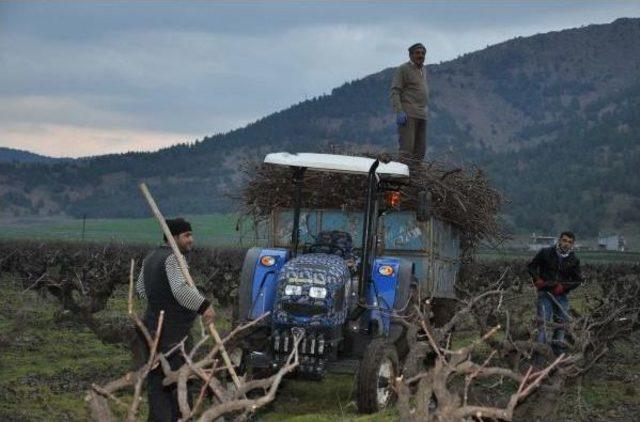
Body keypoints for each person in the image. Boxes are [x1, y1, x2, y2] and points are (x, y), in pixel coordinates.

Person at [136, 217, 215, 422]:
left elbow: (141, 291)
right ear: (173, 237)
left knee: (156, 381)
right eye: (186, 235)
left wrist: (161, 299)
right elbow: (180, 291)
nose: (192, 240)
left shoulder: (151, 257)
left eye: (191, 235)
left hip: (151, 326)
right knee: (178, 380)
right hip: (173, 332)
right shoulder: (173, 258)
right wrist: (204, 306)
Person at [527, 231, 583, 357]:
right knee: (543, 324)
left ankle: (557, 357)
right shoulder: (545, 253)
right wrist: (537, 279)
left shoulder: (574, 260)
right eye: (564, 240)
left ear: (572, 244)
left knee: (561, 325)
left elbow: (577, 280)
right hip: (545, 293)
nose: (566, 244)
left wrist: (563, 286)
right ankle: (539, 358)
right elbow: (531, 267)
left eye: (569, 242)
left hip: (562, 296)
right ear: (559, 240)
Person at [390, 42, 429, 161]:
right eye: (417, 53)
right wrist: (399, 111)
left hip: (422, 114)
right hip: (408, 115)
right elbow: (395, 91)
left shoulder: (423, 70)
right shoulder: (403, 69)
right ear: (410, 55)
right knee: (407, 150)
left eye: (423, 53)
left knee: (420, 150)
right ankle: (403, 176)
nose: (420, 55)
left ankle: (416, 178)